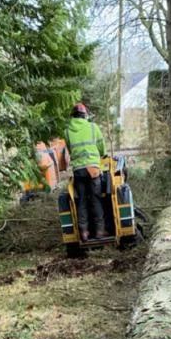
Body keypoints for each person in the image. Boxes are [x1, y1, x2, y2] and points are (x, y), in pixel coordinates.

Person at [64, 103, 106, 242]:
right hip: (93, 168)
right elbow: (101, 146)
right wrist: (101, 155)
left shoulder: (67, 131)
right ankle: (100, 231)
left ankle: (84, 232)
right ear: (85, 115)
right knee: (95, 199)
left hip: (78, 171)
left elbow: (70, 150)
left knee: (81, 200)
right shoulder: (93, 127)